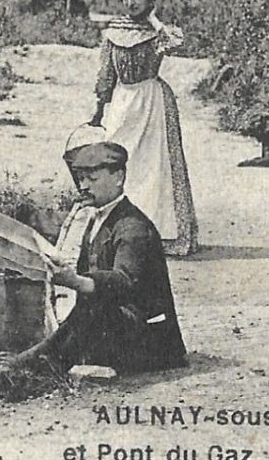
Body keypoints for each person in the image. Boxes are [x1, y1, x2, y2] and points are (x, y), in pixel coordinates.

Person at [13, 140, 188, 375]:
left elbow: (124, 282)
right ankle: (36, 362)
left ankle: (33, 368)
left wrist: (76, 281)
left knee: (92, 310)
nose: (84, 186)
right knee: (84, 315)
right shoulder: (100, 216)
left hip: (152, 343)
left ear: (119, 177)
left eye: (92, 179)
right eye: (81, 179)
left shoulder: (133, 227)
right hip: (117, 329)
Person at [88, 0, 198, 256]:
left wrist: (154, 19)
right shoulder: (114, 32)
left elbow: (177, 42)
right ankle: (121, 231)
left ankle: (161, 233)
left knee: (155, 165)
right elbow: (106, 75)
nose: (130, 2)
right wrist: (99, 110)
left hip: (153, 102)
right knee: (122, 162)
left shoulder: (157, 33)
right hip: (124, 103)